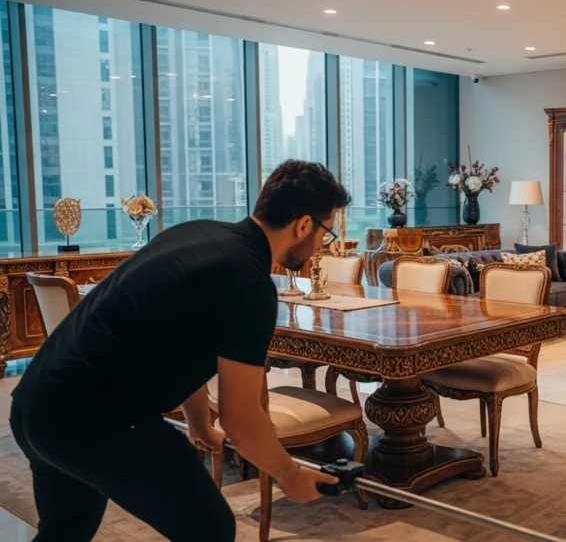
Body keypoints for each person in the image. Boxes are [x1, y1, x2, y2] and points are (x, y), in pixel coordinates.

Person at [9, 160, 350, 541]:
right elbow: (240, 416)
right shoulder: (249, 282)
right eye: (325, 231)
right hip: (96, 420)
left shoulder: (196, 233)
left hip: (34, 406)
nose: (323, 243)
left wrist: (200, 424)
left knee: (65, 532)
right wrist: (290, 476)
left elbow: (181, 342)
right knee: (210, 528)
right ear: (303, 225)